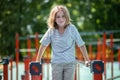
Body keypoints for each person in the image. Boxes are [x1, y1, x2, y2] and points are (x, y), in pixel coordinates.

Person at [36, 5, 90, 80]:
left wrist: (87, 59)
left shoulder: (72, 29)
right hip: (56, 63)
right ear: (54, 19)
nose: (61, 19)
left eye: (63, 16)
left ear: (66, 17)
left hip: (70, 63)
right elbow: (43, 45)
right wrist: (37, 60)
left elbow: (81, 44)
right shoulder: (51, 31)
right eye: (58, 17)